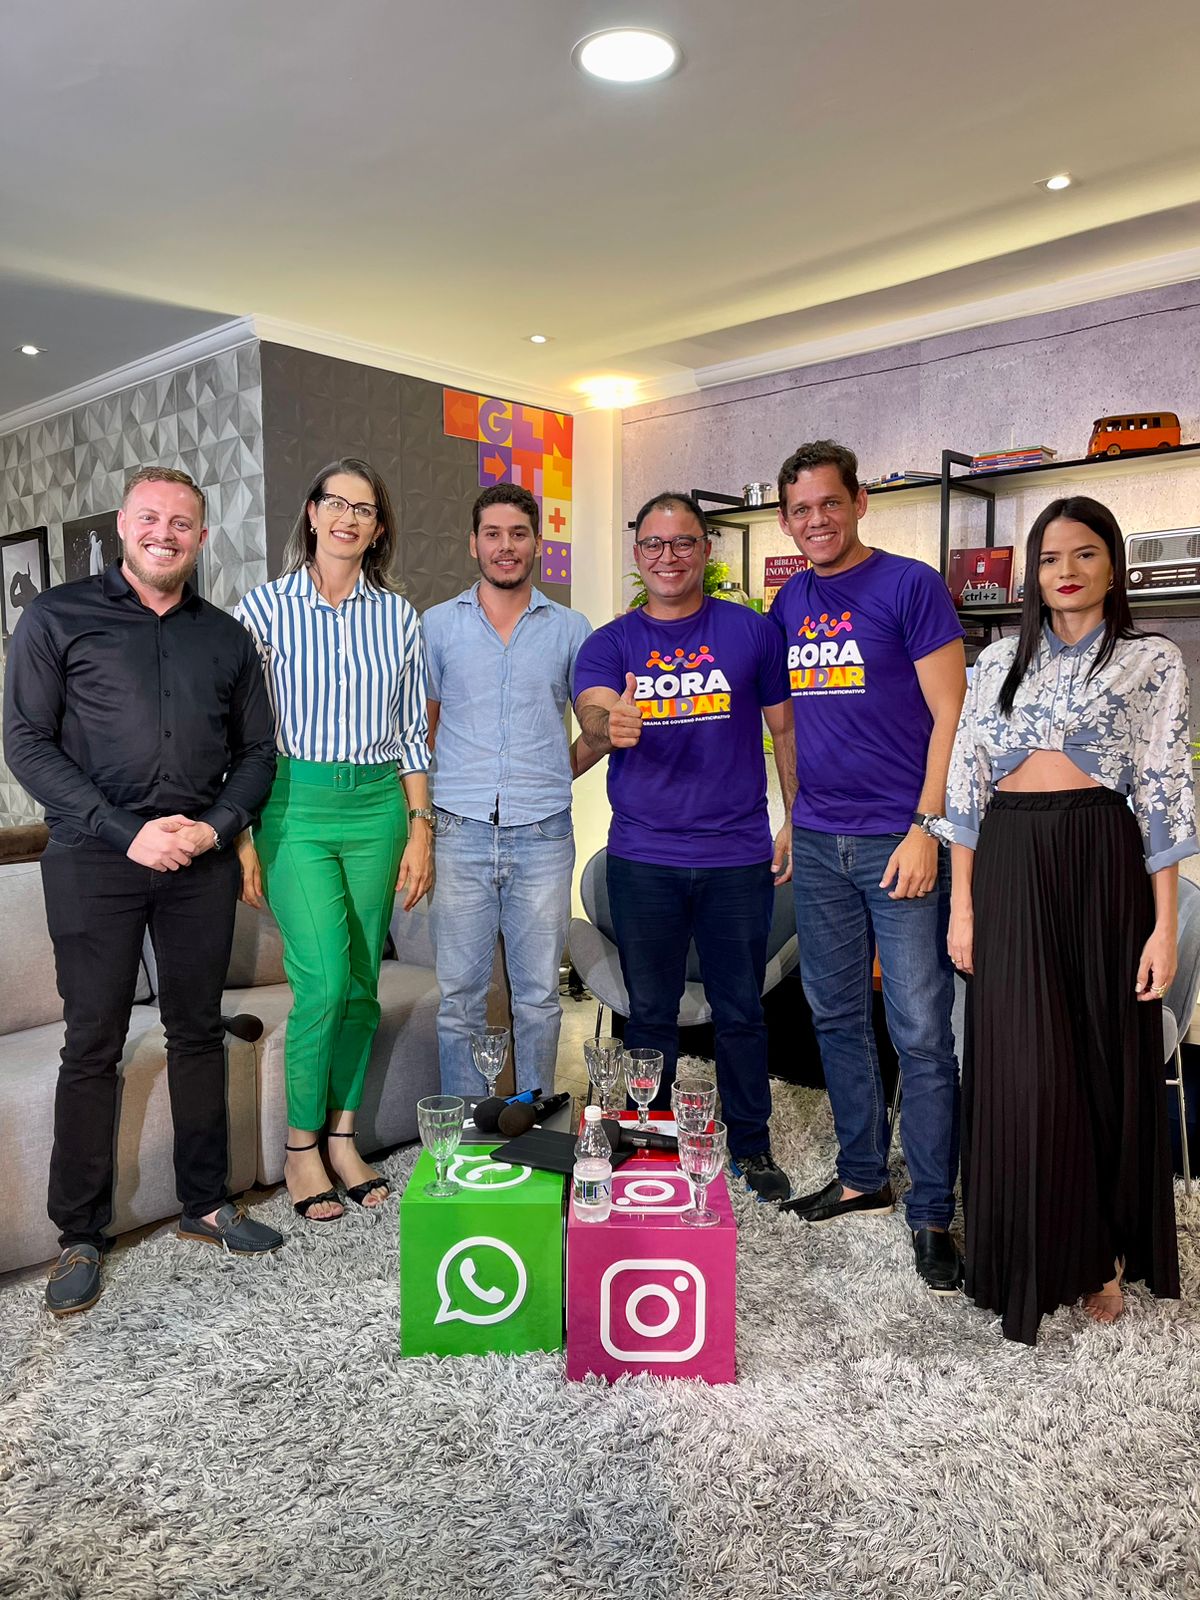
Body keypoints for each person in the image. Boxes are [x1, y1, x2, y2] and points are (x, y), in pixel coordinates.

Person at [3, 466, 281, 1316]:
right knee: (92, 1041)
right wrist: (127, 830)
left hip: (198, 860)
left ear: (202, 537)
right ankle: (79, 1234)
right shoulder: (56, 618)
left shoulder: (227, 639)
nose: (165, 533)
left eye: (182, 522)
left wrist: (216, 827)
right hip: (94, 858)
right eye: (151, 518)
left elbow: (258, 753)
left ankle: (205, 1202)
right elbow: (26, 742)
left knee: (198, 1031)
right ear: (123, 526)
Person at [946, 495, 1195, 1344]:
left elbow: (1164, 791)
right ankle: (1022, 1250)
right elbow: (965, 789)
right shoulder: (994, 662)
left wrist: (1163, 928)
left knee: (1097, 1059)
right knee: (1022, 1065)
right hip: (1009, 860)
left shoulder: (1151, 660)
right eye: (1050, 558)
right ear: (1033, 574)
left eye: (1085, 554)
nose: (1067, 571)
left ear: (1112, 566)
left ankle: (1103, 1258)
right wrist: (962, 906)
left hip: (1102, 860)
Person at [770, 441, 967, 1294]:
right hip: (819, 840)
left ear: (858, 503)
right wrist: (790, 817)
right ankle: (862, 1176)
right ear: (786, 521)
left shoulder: (910, 586)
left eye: (829, 503)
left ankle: (933, 1211)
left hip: (899, 840)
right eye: (800, 510)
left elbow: (951, 714)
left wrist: (928, 827)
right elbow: (788, 722)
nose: (816, 520)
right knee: (836, 1015)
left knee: (920, 1029)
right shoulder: (788, 600)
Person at [574, 491, 795, 1201]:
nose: (667, 556)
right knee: (650, 1012)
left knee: (741, 1010)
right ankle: (651, 1136)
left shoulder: (752, 632)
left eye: (682, 543)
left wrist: (794, 818)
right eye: (653, 544)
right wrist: (610, 723)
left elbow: (785, 729)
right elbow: (593, 708)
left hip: (737, 857)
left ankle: (751, 1145)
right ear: (638, 553)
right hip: (644, 859)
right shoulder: (611, 642)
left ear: (705, 549)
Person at [234, 459, 432, 1223]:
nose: (348, 517)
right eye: (335, 503)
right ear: (312, 514)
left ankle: (343, 1138)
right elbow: (234, 729)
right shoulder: (263, 610)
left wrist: (420, 828)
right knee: (320, 982)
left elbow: (411, 733)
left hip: (379, 808)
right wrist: (241, 832)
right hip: (295, 808)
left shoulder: (398, 617)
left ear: (378, 529)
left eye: (364, 509)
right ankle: (299, 1148)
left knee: (360, 986)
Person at [422, 484, 592, 1100]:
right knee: (459, 1000)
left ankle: (537, 1126)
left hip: (543, 835)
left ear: (537, 544)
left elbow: (596, 723)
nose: (505, 546)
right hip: (459, 832)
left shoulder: (570, 628)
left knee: (539, 998)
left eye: (518, 534)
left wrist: (552, 773)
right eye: (492, 534)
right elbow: (425, 729)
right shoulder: (437, 626)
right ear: (473, 543)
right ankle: (466, 1134)